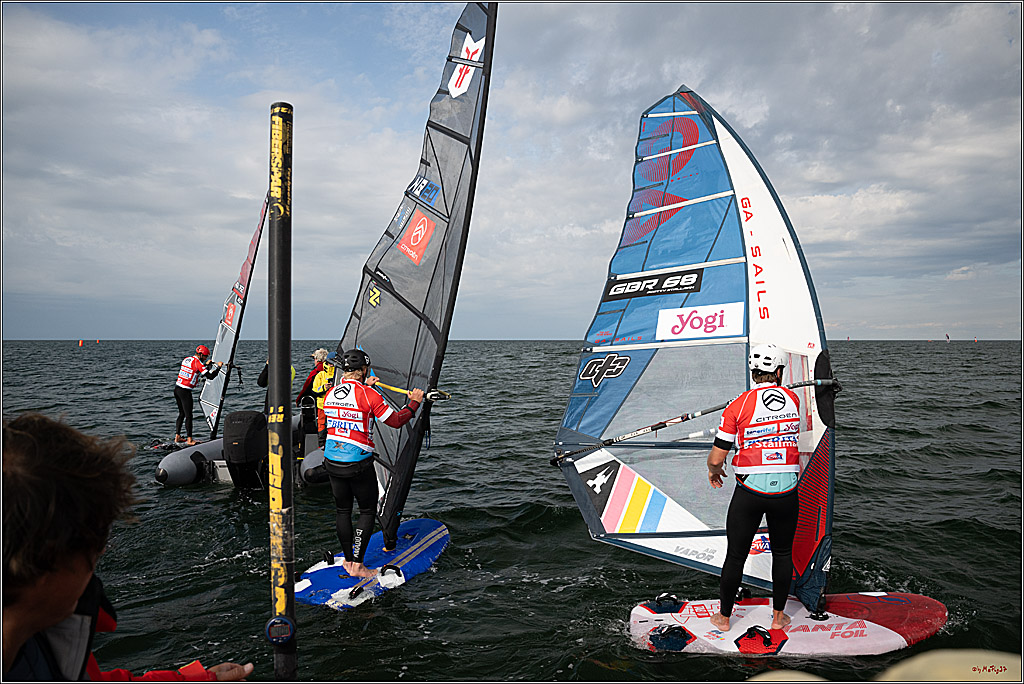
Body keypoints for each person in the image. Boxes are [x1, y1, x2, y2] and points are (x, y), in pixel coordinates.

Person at [3, 413, 254, 681]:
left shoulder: (38, 633)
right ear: (46, 557)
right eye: (97, 537)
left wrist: (194, 679)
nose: (103, 550)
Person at [706, 343, 801, 633]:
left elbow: (717, 456)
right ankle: (778, 616)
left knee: (736, 555)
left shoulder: (738, 405)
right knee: (783, 554)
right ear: (780, 371)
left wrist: (714, 470)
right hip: (786, 491)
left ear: (753, 371)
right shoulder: (794, 400)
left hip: (750, 492)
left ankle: (723, 618)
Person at [321, 349, 424, 578]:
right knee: (367, 511)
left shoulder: (331, 393)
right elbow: (396, 421)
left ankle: (348, 561)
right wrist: (414, 403)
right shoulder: (369, 395)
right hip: (357, 464)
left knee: (343, 510)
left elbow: (335, 415)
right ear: (364, 369)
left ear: (345, 371)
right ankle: (358, 566)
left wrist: (370, 387)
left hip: (332, 461)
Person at [173, 345, 223, 445]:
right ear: (200, 355)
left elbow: (198, 370)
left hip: (177, 389)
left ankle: (177, 436)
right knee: (189, 416)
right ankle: (190, 440)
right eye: (204, 356)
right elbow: (210, 376)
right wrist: (218, 367)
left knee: (181, 414)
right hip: (185, 392)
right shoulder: (198, 363)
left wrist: (207, 366)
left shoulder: (187, 359)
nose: (205, 358)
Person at [311, 352, 338, 449]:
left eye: (334, 362)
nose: (331, 365)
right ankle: (321, 445)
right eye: (330, 362)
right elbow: (314, 390)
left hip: (336, 407)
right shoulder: (320, 375)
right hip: (322, 406)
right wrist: (323, 387)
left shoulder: (339, 375)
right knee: (321, 425)